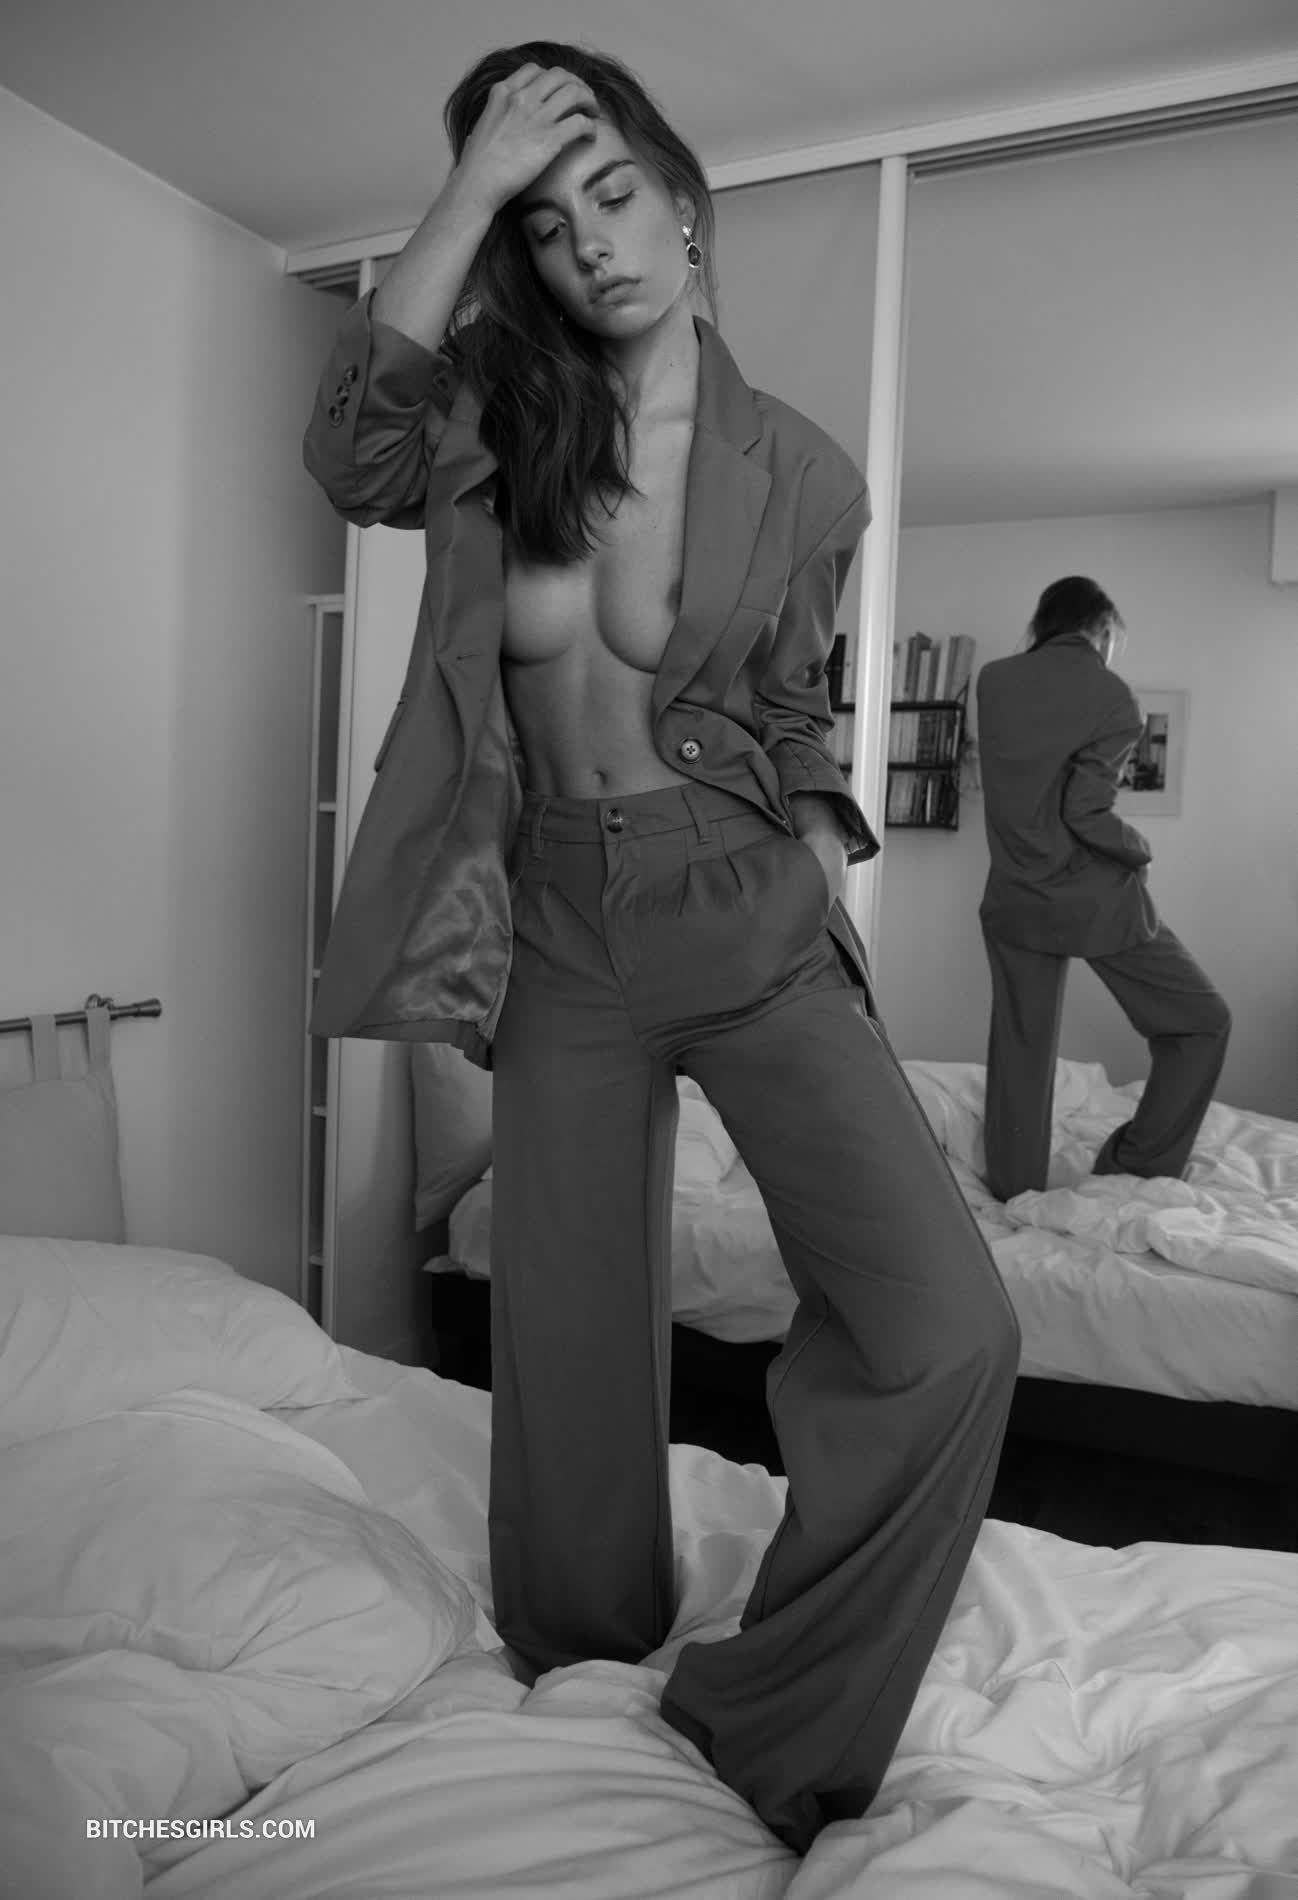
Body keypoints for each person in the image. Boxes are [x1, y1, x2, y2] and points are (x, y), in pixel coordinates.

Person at [303, 41, 1019, 1856]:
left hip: (743, 909)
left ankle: (773, 1709)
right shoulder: (492, 417)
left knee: (945, 1328)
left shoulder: (805, 472)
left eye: (612, 196)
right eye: (545, 225)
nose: (590, 246)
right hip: (553, 921)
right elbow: (347, 452)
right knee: (563, 1330)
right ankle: (580, 1658)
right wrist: (468, 187)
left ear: (686, 208)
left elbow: (787, 705)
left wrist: (810, 841)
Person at [975, 575, 1231, 1204]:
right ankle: (1135, 1165)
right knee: (1202, 1022)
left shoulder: (994, 681)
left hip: (1015, 898)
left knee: (1021, 1046)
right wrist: (1139, 850)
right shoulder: (1113, 696)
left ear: (1043, 623)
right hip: (1092, 898)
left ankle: (1013, 1185)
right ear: (1105, 628)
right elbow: (1086, 813)